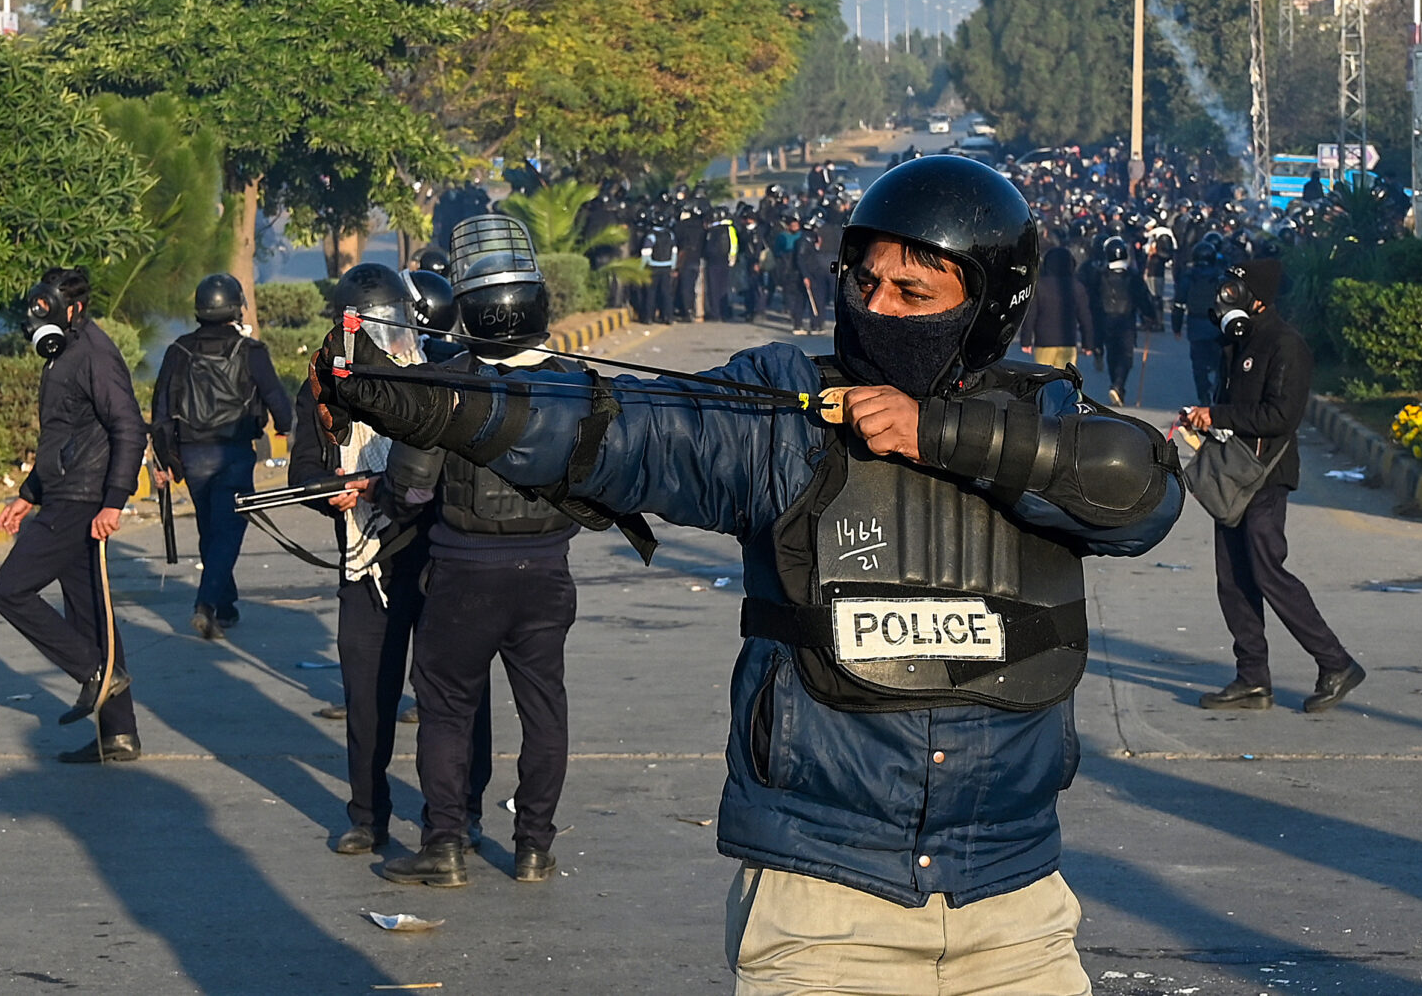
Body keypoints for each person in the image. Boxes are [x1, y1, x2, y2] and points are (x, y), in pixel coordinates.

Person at [313, 156, 1183, 992]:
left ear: (987, 308)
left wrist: (936, 434)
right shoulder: (787, 410)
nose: (878, 307)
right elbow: (628, 432)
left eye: (913, 293)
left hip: (1017, 916)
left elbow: (1144, 491)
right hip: (822, 914)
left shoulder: (1050, 422)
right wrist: (427, 398)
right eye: (864, 282)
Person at [376, 216, 581, 887]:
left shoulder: (446, 384)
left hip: (464, 570)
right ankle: (533, 848)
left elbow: (408, 488)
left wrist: (380, 492)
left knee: (444, 706)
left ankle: (445, 844)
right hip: (547, 570)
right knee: (544, 710)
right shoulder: (574, 385)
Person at [291, 263, 434, 852]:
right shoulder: (322, 387)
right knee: (366, 699)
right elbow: (304, 469)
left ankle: (454, 819)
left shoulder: (434, 378)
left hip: (431, 561)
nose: (381, 339)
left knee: (447, 700)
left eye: (388, 324)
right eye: (365, 329)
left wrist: (388, 485)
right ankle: (366, 816)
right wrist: (331, 491)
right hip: (363, 566)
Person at [1181, 259, 1365, 714]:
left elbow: (1281, 417)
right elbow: (1232, 403)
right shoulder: (1238, 342)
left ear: (1259, 298)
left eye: (1234, 291)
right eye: (1224, 289)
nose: (1225, 298)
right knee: (1233, 579)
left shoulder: (1287, 345)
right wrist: (1205, 417)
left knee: (1269, 573)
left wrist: (1218, 416)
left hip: (1265, 478)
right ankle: (1252, 678)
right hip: (1232, 475)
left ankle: (1336, 663)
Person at [0, 267, 149, 763]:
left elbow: (130, 429)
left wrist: (114, 501)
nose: (41, 320)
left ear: (74, 310)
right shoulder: (64, 355)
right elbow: (62, 436)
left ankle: (93, 671)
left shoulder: (94, 355)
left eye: (50, 310)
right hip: (62, 494)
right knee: (91, 615)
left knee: (8, 591)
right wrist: (28, 494)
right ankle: (117, 735)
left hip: (80, 502)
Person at [150, 273, 293, 640]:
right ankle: (206, 605)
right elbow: (277, 399)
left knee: (210, 529)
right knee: (227, 533)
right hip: (233, 454)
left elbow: (161, 410)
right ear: (236, 307)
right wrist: (284, 426)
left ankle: (225, 604)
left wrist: (165, 459)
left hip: (193, 455)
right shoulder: (252, 352)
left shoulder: (178, 350)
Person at [1086, 235, 1160, 406]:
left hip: (1106, 320)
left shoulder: (1100, 275)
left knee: (1112, 354)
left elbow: (1093, 298)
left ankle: (1116, 386)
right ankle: (1118, 385)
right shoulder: (1132, 276)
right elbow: (1143, 297)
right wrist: (1150, 315)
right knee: (1126, 356)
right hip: (1126, 320)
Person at [1020, 245, 1095, 370]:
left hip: (1043, 342)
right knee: (1064, 380)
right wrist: (1088, 343)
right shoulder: (1077, 287)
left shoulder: (1039, 286)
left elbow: (1030, 315)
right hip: (1068, 342)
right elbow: (1085, 318)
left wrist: (1026, 340)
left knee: (1044, 378)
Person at [1171, 241, 1226, 406]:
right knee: (1220, 364)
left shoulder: (1188, 277)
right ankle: (1218, 392)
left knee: (1199, 365)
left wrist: (1176, 327)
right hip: (1217, 327)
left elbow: (1179, 304)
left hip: (1195, 326)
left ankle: (1203, 395)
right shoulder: (1220, 277)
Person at [702, 206, 739, 322]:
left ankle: (716, 313)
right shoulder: (729, 228)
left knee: (714, 288)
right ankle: (723, 312)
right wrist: (732, 257)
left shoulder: (712, 230)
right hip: (724, 261)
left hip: (714, 261)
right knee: (723, 287)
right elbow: (734, 244)